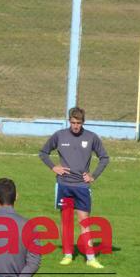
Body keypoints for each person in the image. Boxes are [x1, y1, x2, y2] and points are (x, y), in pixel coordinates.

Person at [38, 106, 110, 268]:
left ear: (83, 122)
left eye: (78, 123)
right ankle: (68, 254)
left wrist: (93, 176)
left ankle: (90, 258)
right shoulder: (59, 135)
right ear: (69, 121)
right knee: (66, 221)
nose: (75, 126)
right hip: (64, 185)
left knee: (84, 221)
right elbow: (43, 153)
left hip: (82, 186)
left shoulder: (91, 137)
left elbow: (104, 158)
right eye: (73, 122)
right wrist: (53, 167)